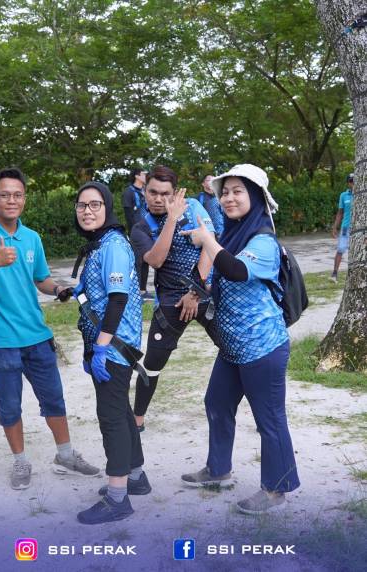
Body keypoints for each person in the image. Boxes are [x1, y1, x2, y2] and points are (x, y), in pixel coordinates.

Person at [0, 167, 99, 490]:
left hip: (37, 335)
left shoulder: (32, 238)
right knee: (10, 407)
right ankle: (21, 462)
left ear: (24, 199)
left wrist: (58, 289)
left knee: (54, 400)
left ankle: (65, 455)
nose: (11, 200)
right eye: (5, 195)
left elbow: (41, 279)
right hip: (1, 340)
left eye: (17, 195)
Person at [180, 163, 300, 514]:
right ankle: (218, 470)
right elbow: (220, 271)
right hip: (233, 346)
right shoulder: (232, 236)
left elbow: (236, 270)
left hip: (263, 347)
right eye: (226, 192)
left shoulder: (263, 240)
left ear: (257, 198)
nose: (229, 198)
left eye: (238, 192)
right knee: (217, 402)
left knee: (270, 419)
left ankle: (276, 489)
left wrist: (207, 240)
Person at [72, 181, 149, 525]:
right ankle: (136, 477)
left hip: (114, 349)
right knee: (121, 409)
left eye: (95, 204)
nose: (87, 211)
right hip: (110, 346)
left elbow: (118, 299)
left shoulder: (114, 245)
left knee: (112, 417)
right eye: (82, 205)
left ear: (107, 208)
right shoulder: (102, 243)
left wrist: (101, 347)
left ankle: (117, 498)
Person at [130, 165, 218, 432]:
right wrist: (171, 219)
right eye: (153, 192)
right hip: (170, 302)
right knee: (152, 363)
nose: (158, 199)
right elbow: (156, 260)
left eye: (165, 194)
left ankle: (259, 411)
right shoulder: (140, 227)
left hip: (204, 294)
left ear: (175, 193)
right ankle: (137, 419)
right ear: (144, 192)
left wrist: (195, 291)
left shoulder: (194, 207)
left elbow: (210, 245)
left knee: (235, 349)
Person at [122, 168, 151, 297]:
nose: (146, 176)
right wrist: (133, 232)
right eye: (144, 174)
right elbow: (128, 215)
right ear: (137, 176)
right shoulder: (128, 192)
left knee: (146, 260)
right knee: (137, 262)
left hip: (148, 231)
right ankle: (135, 291)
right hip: (136, 232)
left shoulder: (145, 191)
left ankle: (143, 290)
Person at [331, 172, 353, 282]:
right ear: (348, 183)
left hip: (360, 229)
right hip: (346, 227)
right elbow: (340, 213)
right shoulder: (343, 195)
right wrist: (335, 227)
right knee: (340, 249)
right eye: (351, 181)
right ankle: (334, 274)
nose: (353, 183)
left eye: (354, 181)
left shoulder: (363, 194)